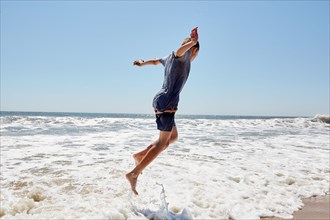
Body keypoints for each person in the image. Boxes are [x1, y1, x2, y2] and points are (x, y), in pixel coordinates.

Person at [125, 27, 199, 195]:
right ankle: (133, 173)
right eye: (195, 52)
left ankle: (140, 156)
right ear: (192, 49)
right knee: (161, 143)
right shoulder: (180, 56)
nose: (195, 56)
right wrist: (192, 42)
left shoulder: (169, 58)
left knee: (172, 137)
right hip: (166, 103)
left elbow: (156, 61)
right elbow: (179, 51)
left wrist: (142, 63)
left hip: (164, 102)